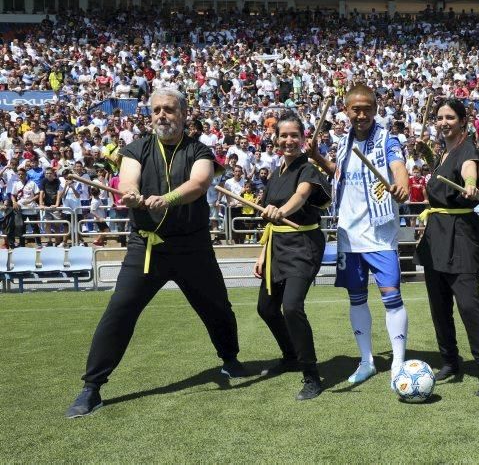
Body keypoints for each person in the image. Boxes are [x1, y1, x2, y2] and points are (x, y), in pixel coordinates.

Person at [66, 89, 245, 418]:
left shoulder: (198, 149)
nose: (162, 115)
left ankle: (230, 360)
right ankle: (92, 387)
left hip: (193, 247)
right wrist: (130, 193)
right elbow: (127, 179)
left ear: (183, 113)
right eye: (156, 110)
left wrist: (169, 198)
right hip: (146, 246)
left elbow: (200, 182)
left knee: (217, 306)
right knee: (119, 312)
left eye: (169, 109)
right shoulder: (137, 148)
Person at [308, 84, 410, 387]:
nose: (362, 114)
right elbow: (340, 174)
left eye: (368, 108)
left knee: (392, 299)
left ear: (377, 108)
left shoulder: (388, 140)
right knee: (356, 300)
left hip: (380, 234)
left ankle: (399, 361)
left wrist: (402, 184)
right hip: (349, 235)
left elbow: (398, 166)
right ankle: (366, 360)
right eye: (356, 109)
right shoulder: (342, 143)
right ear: (346, 110)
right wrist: (318, 159)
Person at [413, 98, 479, 397]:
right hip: (436, 235)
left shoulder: (468, 150)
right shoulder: (443, 152)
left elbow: (469, 171)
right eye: (440, 117)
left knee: (467, 304)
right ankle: (450, 360)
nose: (444, 122)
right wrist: (425, 154)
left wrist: (472, 183)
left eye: (450, 117)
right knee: (439, 306)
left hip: (460, 235)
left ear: (463, 121)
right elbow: (442, 176)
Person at [254, 113, 331, 400]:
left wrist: (282, 211)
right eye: (283, 136)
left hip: (303, 245)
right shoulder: (275, 173)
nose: (288, 140)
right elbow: (272, 223)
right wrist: (263, 253)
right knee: (266, 308)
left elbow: (301, 196)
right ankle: (290, 355)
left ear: (303, 139)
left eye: (294, 136)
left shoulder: (307, 169)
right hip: (276, 246)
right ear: (276, 139)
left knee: (292, 307)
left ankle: (311, 376)